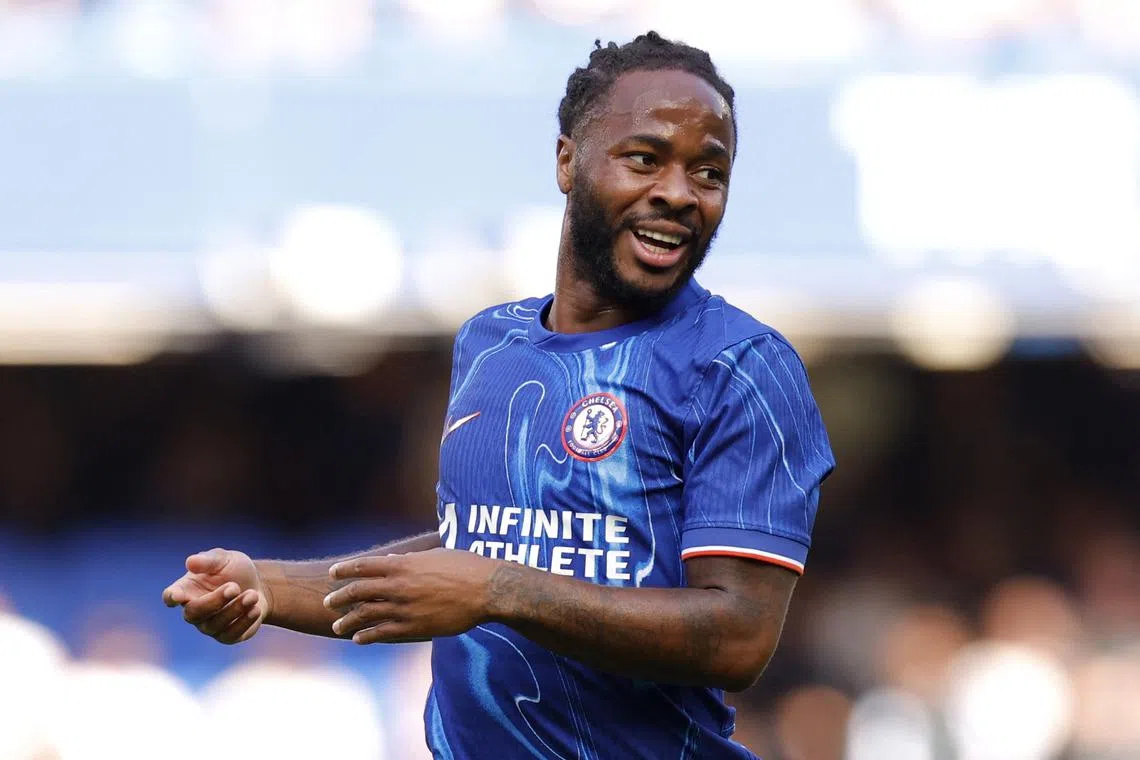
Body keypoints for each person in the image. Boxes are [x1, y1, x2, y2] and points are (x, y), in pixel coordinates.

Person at [163, 31, 835, 759]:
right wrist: (267, 587)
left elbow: (738, 636)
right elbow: (471, 550)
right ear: (567, 160)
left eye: (709, 173)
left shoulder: (741, 366)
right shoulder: (491, 344)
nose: (678, 193)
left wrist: (500, 590)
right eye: (645, 158)